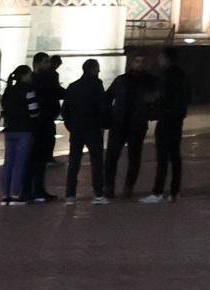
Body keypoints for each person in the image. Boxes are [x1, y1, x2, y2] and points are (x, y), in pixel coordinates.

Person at [104, 54, 157, 202]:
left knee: (134, 157)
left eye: (143, 62)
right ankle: (108, 187)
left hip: (137, 123)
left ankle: (128, 188)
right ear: (132, 63)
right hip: (119, 122)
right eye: (137, 61)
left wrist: (149, 112)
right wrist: (109, 116)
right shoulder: (122, 80)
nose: (140, 64)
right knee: (111, 156)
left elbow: (156, 100)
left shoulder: (150, 81)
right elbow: (108, 97)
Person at [144, 46, 191, 202]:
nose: (159, 60)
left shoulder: (166, 77)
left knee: (162, 157)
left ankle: (157, 192)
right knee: (175, 156)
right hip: (177, 119)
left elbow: (164, 99)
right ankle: (174, 192)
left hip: (166, 119)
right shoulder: (182, 75)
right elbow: (187, 96)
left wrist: (153, 108)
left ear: (166, 58)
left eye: (160, 57)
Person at [61, 59, 110, 201]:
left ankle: (70, 194)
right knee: (96, 161)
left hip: (76, 128)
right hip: (92, 128)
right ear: (94, 69)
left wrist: (70, 124)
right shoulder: (96, 85)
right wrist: (103, 124)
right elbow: (102, 106)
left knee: (74, 161)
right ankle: (98, 194)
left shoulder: (73, 86)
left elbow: (65, 110)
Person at [0, 66, 40, 205]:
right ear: (24, 76)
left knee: (8, 162)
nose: (31, 77)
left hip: (10, 130)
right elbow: (34, 111)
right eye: (29, 74)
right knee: (19, 163)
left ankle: (6, 195)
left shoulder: (9, 90)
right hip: (24, 130)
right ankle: (16, 194)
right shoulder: (28, 90)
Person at [29, 53, 63, 201]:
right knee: (35, 158)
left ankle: (38, 190)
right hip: (38, 123)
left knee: (40, 159)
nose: (49, 65)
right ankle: (33, 190)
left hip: (46, 122)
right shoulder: (43, 79)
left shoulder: (48, 78)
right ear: (36, 64)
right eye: (45, 62)